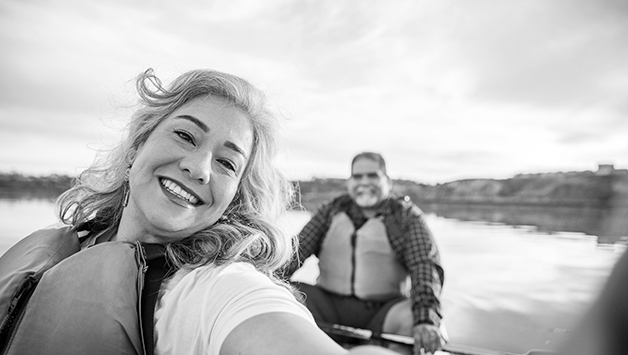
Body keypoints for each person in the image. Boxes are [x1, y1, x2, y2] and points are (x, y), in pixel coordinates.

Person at [0, 68, 398, 355]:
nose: (200, 168)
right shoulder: (58, 247)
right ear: (138, 146)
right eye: (186, 135)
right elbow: (302, 247)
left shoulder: (214, 290)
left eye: (227, 163)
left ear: (234, 199)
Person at [283, 152, 446, 355]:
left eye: (373, 176)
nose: (365, 182)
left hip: (383, 313)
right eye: (358, 177)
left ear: (387, 181)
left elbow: (425, 265)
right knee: (284, 293)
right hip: (327, 307)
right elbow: (295, 252)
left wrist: (426, 319)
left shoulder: (405, 217)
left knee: (415, 317)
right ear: (350, 182)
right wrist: (265, 282)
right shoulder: (331, 211)